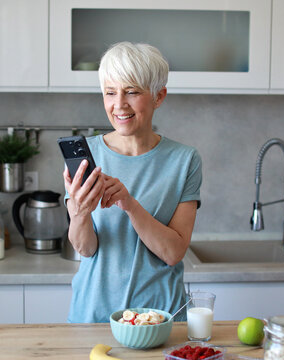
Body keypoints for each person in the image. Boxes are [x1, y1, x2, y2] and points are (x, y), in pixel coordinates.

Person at [63, 42, 202, 323]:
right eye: (110, 92)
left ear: (158, 96)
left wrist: (129, 204)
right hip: (94, 317)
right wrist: (79, 212)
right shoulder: (86, 158)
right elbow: (86, 249)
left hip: (160, 319)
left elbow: (173, 252)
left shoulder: (184, 160)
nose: (119, 105)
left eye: (132, 92)